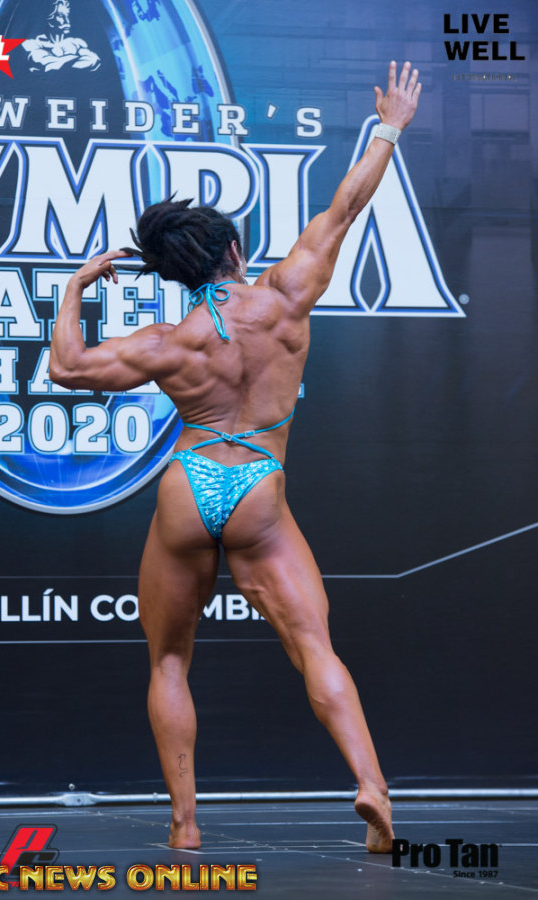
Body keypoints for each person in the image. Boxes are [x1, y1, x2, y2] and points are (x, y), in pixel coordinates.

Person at [50, 61, 421, 853]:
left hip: (188, 484)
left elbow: (68, 369)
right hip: (258, 486)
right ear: (232, 249)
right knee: (313, 646)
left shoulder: (167, 342)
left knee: (169, 661)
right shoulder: (285, 297)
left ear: (174, 272)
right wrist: (388, 126)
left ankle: (184, 824)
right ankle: (370, 786)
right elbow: (345, 206)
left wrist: (77, 287)